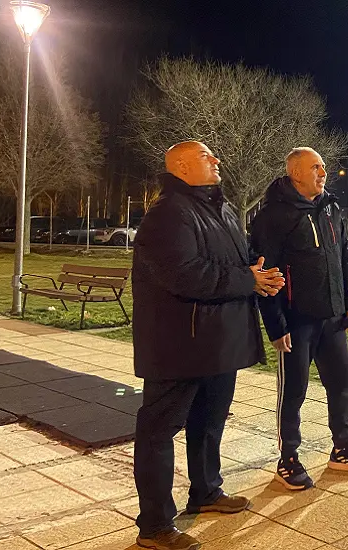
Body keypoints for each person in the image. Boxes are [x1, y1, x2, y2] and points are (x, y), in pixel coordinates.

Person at [131, 141, 284, 550]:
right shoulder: (168, 213)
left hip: (219, 342)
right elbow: (185, 275)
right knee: (159, 432)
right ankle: (156, 525)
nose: (217, 160)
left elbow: (240, 261)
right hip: (178, 346)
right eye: (206, 156)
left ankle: (206, 491)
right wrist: (248, 279)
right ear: (181, 166)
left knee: (209, 423)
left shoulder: (224, 208)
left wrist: (261, 273)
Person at [250, 147, 348, 491]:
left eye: (323, 167)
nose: (323, 172)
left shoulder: (331, 207)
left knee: (341, 384)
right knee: (293, 391)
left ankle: (342, 449)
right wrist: (276, 326)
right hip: (296, 321)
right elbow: (265, 275)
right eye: (316, 167)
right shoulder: (273, 217)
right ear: (296, 174)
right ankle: (288, 458)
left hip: (333, 318)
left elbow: (344, 258)